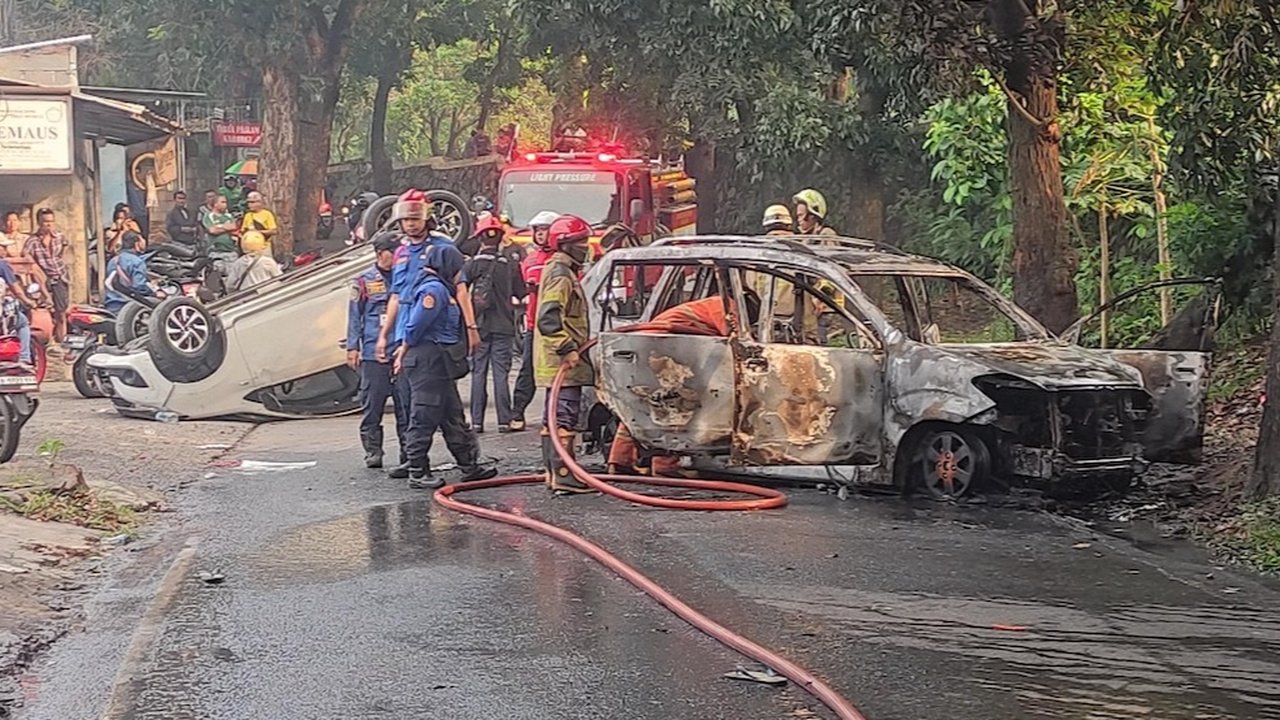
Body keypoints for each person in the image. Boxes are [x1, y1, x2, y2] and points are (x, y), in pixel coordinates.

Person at [375, 190, 492, 483]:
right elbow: (396, 297)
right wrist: (386, 337)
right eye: (406, 220)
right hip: (413, 342)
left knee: (445, 409)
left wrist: (471, 328)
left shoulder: (443, 250)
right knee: (417, 408)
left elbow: (461, 289)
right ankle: (415, 466)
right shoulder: (402, 253)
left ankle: (467, 465)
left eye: (415, 219)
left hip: (432, 343)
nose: (410, 225)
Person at [400, 244, 472, 489]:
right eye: (458, 268)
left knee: (452, 414)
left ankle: (469, 465)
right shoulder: (434, 290)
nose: (460, 274)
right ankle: (417, 471)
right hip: (428, 360)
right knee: (424, 414)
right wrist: (403, 350)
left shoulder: (442, 288)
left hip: (440, 363)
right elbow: (414, 326)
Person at [534, 214, 594, 494]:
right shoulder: (561, 275)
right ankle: (564, 474)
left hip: (554, 362)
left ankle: (554, 473)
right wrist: (568, 349)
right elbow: (548, 318)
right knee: (564, 416)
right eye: (581, 242)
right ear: (565, 244)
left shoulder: (561, 270)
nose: (585, 247)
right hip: (562, 362)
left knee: (553, 416)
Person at [348, 234, 410, 469]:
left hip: (401, 351)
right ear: (379, 253)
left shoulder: (405, 277)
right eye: (392, 251)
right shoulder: (364, 280)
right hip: (374, 353)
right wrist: (353, 347)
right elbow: (355, 316)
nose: (396, 256)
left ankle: (408, 453)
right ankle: (373, 451)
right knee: (372, 405)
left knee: (406, 406)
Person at [464, 216, 526, 433]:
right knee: (501, 374)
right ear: (500, 238)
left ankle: (477, 422)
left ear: (480, 238)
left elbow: (460, 290)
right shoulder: (510, 265)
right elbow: (521, 293)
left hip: (479, 326)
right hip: (504, 326)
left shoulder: (472, 265)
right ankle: (504, 421)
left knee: (478, 373)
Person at [511, 210, 559, 432]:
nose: (540, 234)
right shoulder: (530, 260)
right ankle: (517, 413)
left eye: (545, 230)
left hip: (558, 326)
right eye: (537, 230)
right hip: (533, 324)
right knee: (527, 370)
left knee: (559, 373)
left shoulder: (563, 261)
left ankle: (554, 417)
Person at [22, 208, 70, 341]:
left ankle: (62, 340)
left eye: (51, 221)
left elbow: (64, 251)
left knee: (61, 312)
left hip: (59, 276)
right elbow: (27, 257)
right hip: (43, 279)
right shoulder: (33, 241)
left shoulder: (59, 237)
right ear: (39, 222)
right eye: (45, 222)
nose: (49, 224)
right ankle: (46, 340)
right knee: (44, 311)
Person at [104, 231, 155, 314]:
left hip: (111, 305)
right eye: (142, 239)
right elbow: (139, 286)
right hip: (128, 308)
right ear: (136, 244)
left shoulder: (113, 261)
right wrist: (154, 293)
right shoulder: (136, 261)